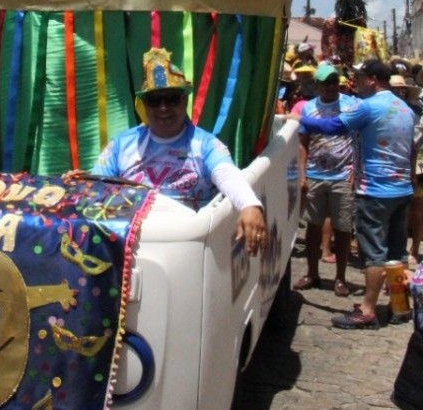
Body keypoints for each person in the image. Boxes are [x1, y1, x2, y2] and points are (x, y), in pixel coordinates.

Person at [90, 48, 267, 255]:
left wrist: (250, 204)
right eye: (155, 100)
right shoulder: (122, 144)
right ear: (144, 105)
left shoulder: (205, 144)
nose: (163, 108)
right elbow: (94, 185)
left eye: (172, 98)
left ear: (185, 100)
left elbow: (226, 173)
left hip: (187, 247)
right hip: (132, 244)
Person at [298, 58, 415, 329]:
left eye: (360, 78)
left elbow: (332, 127)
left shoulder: (370, 106)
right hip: (401, 188)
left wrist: (298, 119)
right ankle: (399, 307)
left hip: (375, 189)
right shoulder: (404, 108)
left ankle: (367, 310)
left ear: (372, 79)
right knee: (395, 252)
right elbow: (410, 150)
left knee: (373, 253)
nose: (356, 83)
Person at [292, 63, 358, 298]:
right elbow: (302, 143)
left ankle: (340, 277)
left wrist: (356, 171)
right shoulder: (309, 108)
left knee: (342, 228)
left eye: (334, 81)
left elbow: (359, 138)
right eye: (326, 82)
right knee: (313, 226)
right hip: (315, 174)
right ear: (318, 84)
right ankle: (312, 273)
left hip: (343, 176)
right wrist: (302, 174)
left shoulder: (351, 105)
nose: (331, 86)